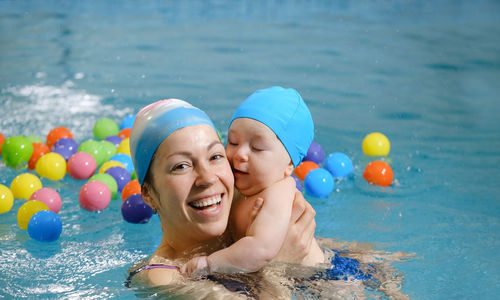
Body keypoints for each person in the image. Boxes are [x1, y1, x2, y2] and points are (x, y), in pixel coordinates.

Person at [126, 99, 317, 290]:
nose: (208, 179)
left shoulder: (244, 212)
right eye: (181, 166)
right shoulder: (166, 278)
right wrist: (279, 266)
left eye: (215, 156)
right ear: (148, 194)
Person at [181, 87, 325, 276]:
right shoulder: (234, 184)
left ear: (289, 163)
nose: (240, 154)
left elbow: (261, 249)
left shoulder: (279, 193)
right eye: (233, 142)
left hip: (320, 279)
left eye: (257, 148)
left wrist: (209, 264)